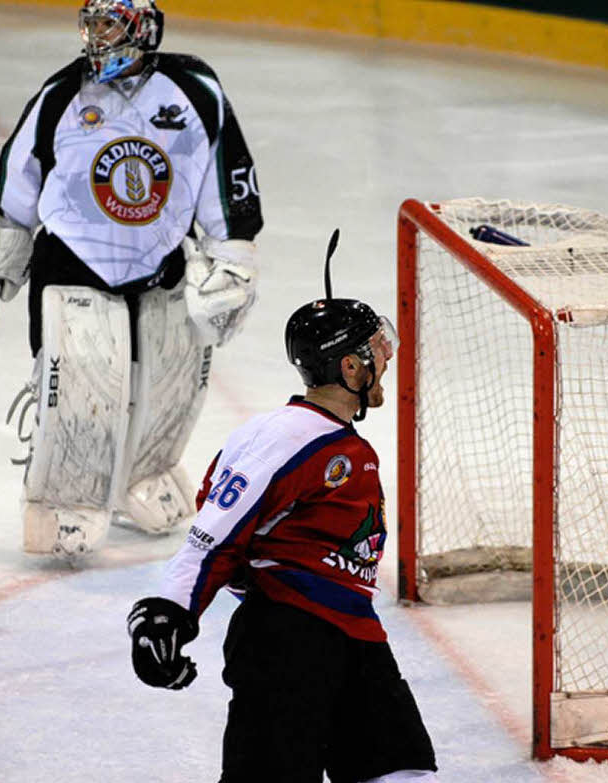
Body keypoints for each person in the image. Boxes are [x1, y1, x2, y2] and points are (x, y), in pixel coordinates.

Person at [0, 0, 264, 560]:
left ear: (142, 28)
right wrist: (6, 239)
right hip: (74, 266)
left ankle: (147, 475)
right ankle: (66, 502)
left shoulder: (194, 90)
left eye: (109, 23)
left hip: (162, 266)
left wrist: (233, 248)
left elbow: (223, 169)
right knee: (81, 396)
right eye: (92, 24)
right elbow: (21, 175)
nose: (96, 36)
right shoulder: (63, 94)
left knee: (171, 390)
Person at [126, 240, 439, 782]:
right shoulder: (290, 436)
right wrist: (169, 609)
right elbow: (217, 527)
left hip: (353, 637)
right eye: (375, 351)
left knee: (401, 770)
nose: (385, 358)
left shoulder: (329, 440)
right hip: (287, 642)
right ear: (349, 365)